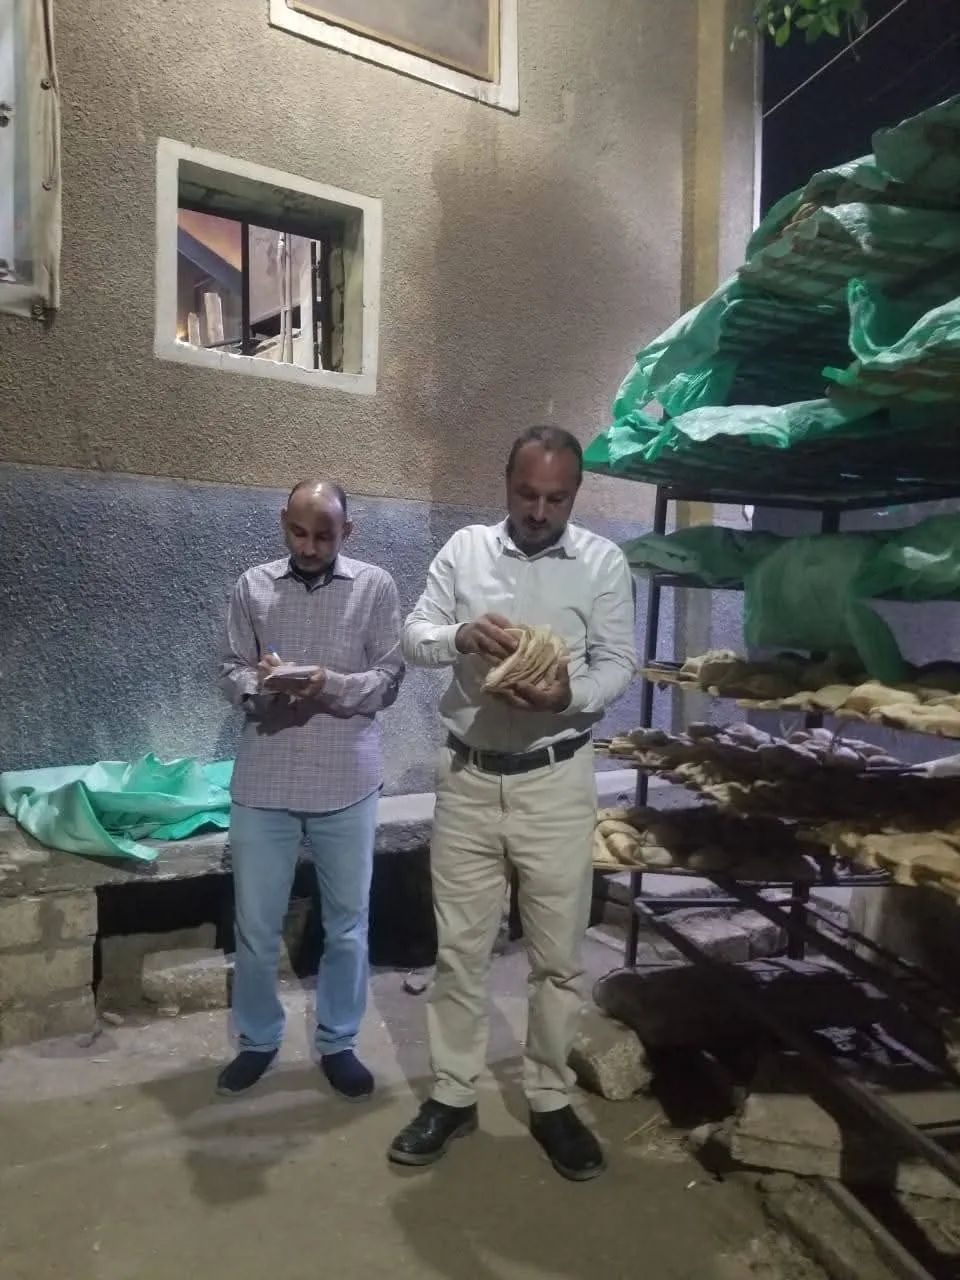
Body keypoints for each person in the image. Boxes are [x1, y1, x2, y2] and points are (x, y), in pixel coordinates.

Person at [389, 426, 636, 1181]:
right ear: (506, 483)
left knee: (557, 957)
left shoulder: (602, 562)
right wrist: (463, 635)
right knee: (461, 949)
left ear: (575, 494)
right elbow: (414, 636)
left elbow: (618, 663)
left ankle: (551, 1099)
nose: (538, 511)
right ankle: (454, 1094)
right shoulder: (465, 550)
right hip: (468, 777)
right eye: (527, 494)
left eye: (556, 498)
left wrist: (569, 695)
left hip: (555, 780)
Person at [217, 480, 403, 1100]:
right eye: (299, 532)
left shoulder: (375, 587)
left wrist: (328, 684)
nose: (310, 546)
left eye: (325, 535)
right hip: (264, 778)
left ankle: (338, 1041)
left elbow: (388, 679)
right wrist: (263, 685)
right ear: (283, 523)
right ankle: (257, 1039)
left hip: (346, 779)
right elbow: (229, 668)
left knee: (347, 925)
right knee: (255, 926)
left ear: (348, 531)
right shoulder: (252, 586)